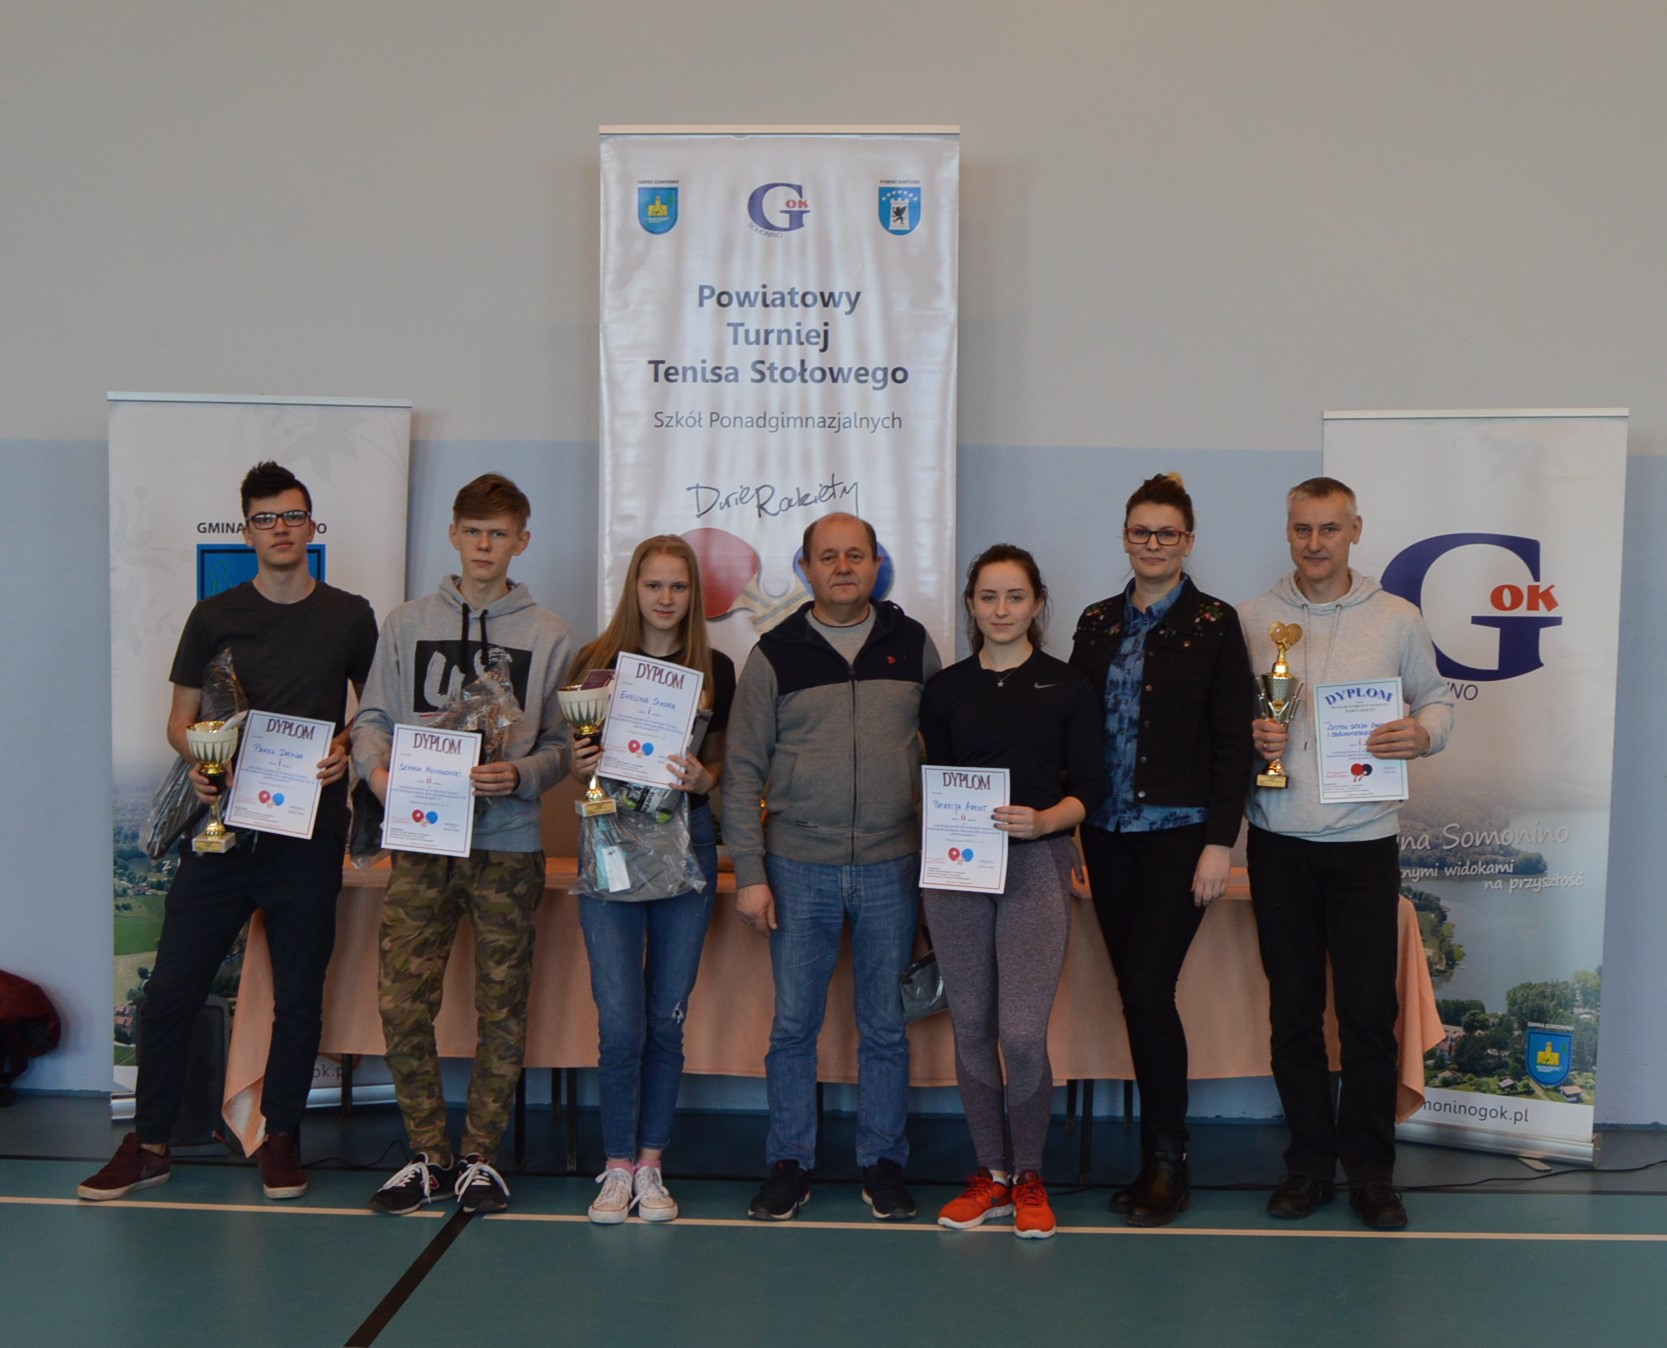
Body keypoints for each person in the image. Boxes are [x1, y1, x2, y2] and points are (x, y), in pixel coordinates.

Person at [79, 462, 378, 1202]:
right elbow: (179, 724)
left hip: (308, 831)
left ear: (312, 526)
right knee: (170, 991)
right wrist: (203, 762)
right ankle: (149, 1144)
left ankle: (282, 1138)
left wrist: (346, 747)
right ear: (246, 532)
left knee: (298, 998)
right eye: (266, 518)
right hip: (222, 834)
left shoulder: (350, 616)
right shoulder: (213, 616)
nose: (281, 529)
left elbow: (374, 713)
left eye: (293, 516)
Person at [352, 473, 571, 1216]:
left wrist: (523, 774)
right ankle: (425, 1154)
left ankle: (480, 1157)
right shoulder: (406, 623)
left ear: (521, 542)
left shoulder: (549, 633)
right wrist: (379, 776)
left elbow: (566, 745)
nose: (484, 545)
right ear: (452, 535)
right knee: (402, 1000)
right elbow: (372, 717)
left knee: (501, 1007)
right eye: (473, 531)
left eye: (498, 533)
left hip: (507, 845)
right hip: (421, 840)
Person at [1241, 476, 1453, 1231]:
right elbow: (1224, 720)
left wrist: (1422, 734)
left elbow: (1437, 699)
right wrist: (1251, 735)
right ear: (1287, 530)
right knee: (1293, 1017)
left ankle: (1370, 1173)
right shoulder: (1252, 619)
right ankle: (1306, 1166)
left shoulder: (1396, 618)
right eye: (1302, 528)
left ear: (1354, 530)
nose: (1315, 543)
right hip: (1277, 842)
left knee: (1368, 1017)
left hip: (1364, 844)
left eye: (1329, 528)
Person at [724, 511, 941, 1222]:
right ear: (806, 568)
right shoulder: (773, 654)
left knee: (885, 1027)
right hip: (796, 867)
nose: (843, 567)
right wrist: (750, 874)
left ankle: (883, 1163)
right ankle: (790, 1163)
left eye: (855, 555)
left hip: (891, 865)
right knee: (793, 1027)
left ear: (876, 564)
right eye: (828, 556)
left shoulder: (912, 643)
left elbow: (945, 750)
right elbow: (740, 770)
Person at [1069, 473, 1255, 1226]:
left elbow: (1232, 741)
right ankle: (1157, 1155)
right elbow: (1073, 732)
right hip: (1104, 834)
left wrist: (1219, 843)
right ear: (1124, 537)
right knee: (1134, 994)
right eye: (1141, 531)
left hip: (1180, 836)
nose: (1153, 544)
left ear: (1188, 541)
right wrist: (1068, 830)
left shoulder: (1214, 622)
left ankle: (1167, 1159)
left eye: (1167, 533)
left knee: (1148, 992)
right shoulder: (1094, 622)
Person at [923, 545, 1103, 1239]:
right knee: (971, 1028)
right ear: (971, 605)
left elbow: (1089, 789)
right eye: (988, 597)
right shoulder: (944, 690)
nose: (1001, 610)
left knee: (1022, 1032)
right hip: (958, 872)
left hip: (1034, 864)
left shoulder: (1066, 686)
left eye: (1015, 596)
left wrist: (1045, 821)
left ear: (1037, 603)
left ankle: (1029, 1174)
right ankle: (991, 1176)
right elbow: (938, 784)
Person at [563, 536, 735, 1225]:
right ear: (634, 588)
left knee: (666, 1016)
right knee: (620, 1020)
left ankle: (650, 1166)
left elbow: (723, 767)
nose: (665, 598)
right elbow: (578, 767)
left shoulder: (715, 669)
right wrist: (580, 765)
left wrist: (703, 778)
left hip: (685, 846)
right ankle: (614, 1166)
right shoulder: (594, 666)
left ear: (693, 595)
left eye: (678, 586)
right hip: (609, 844)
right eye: (654, 585)